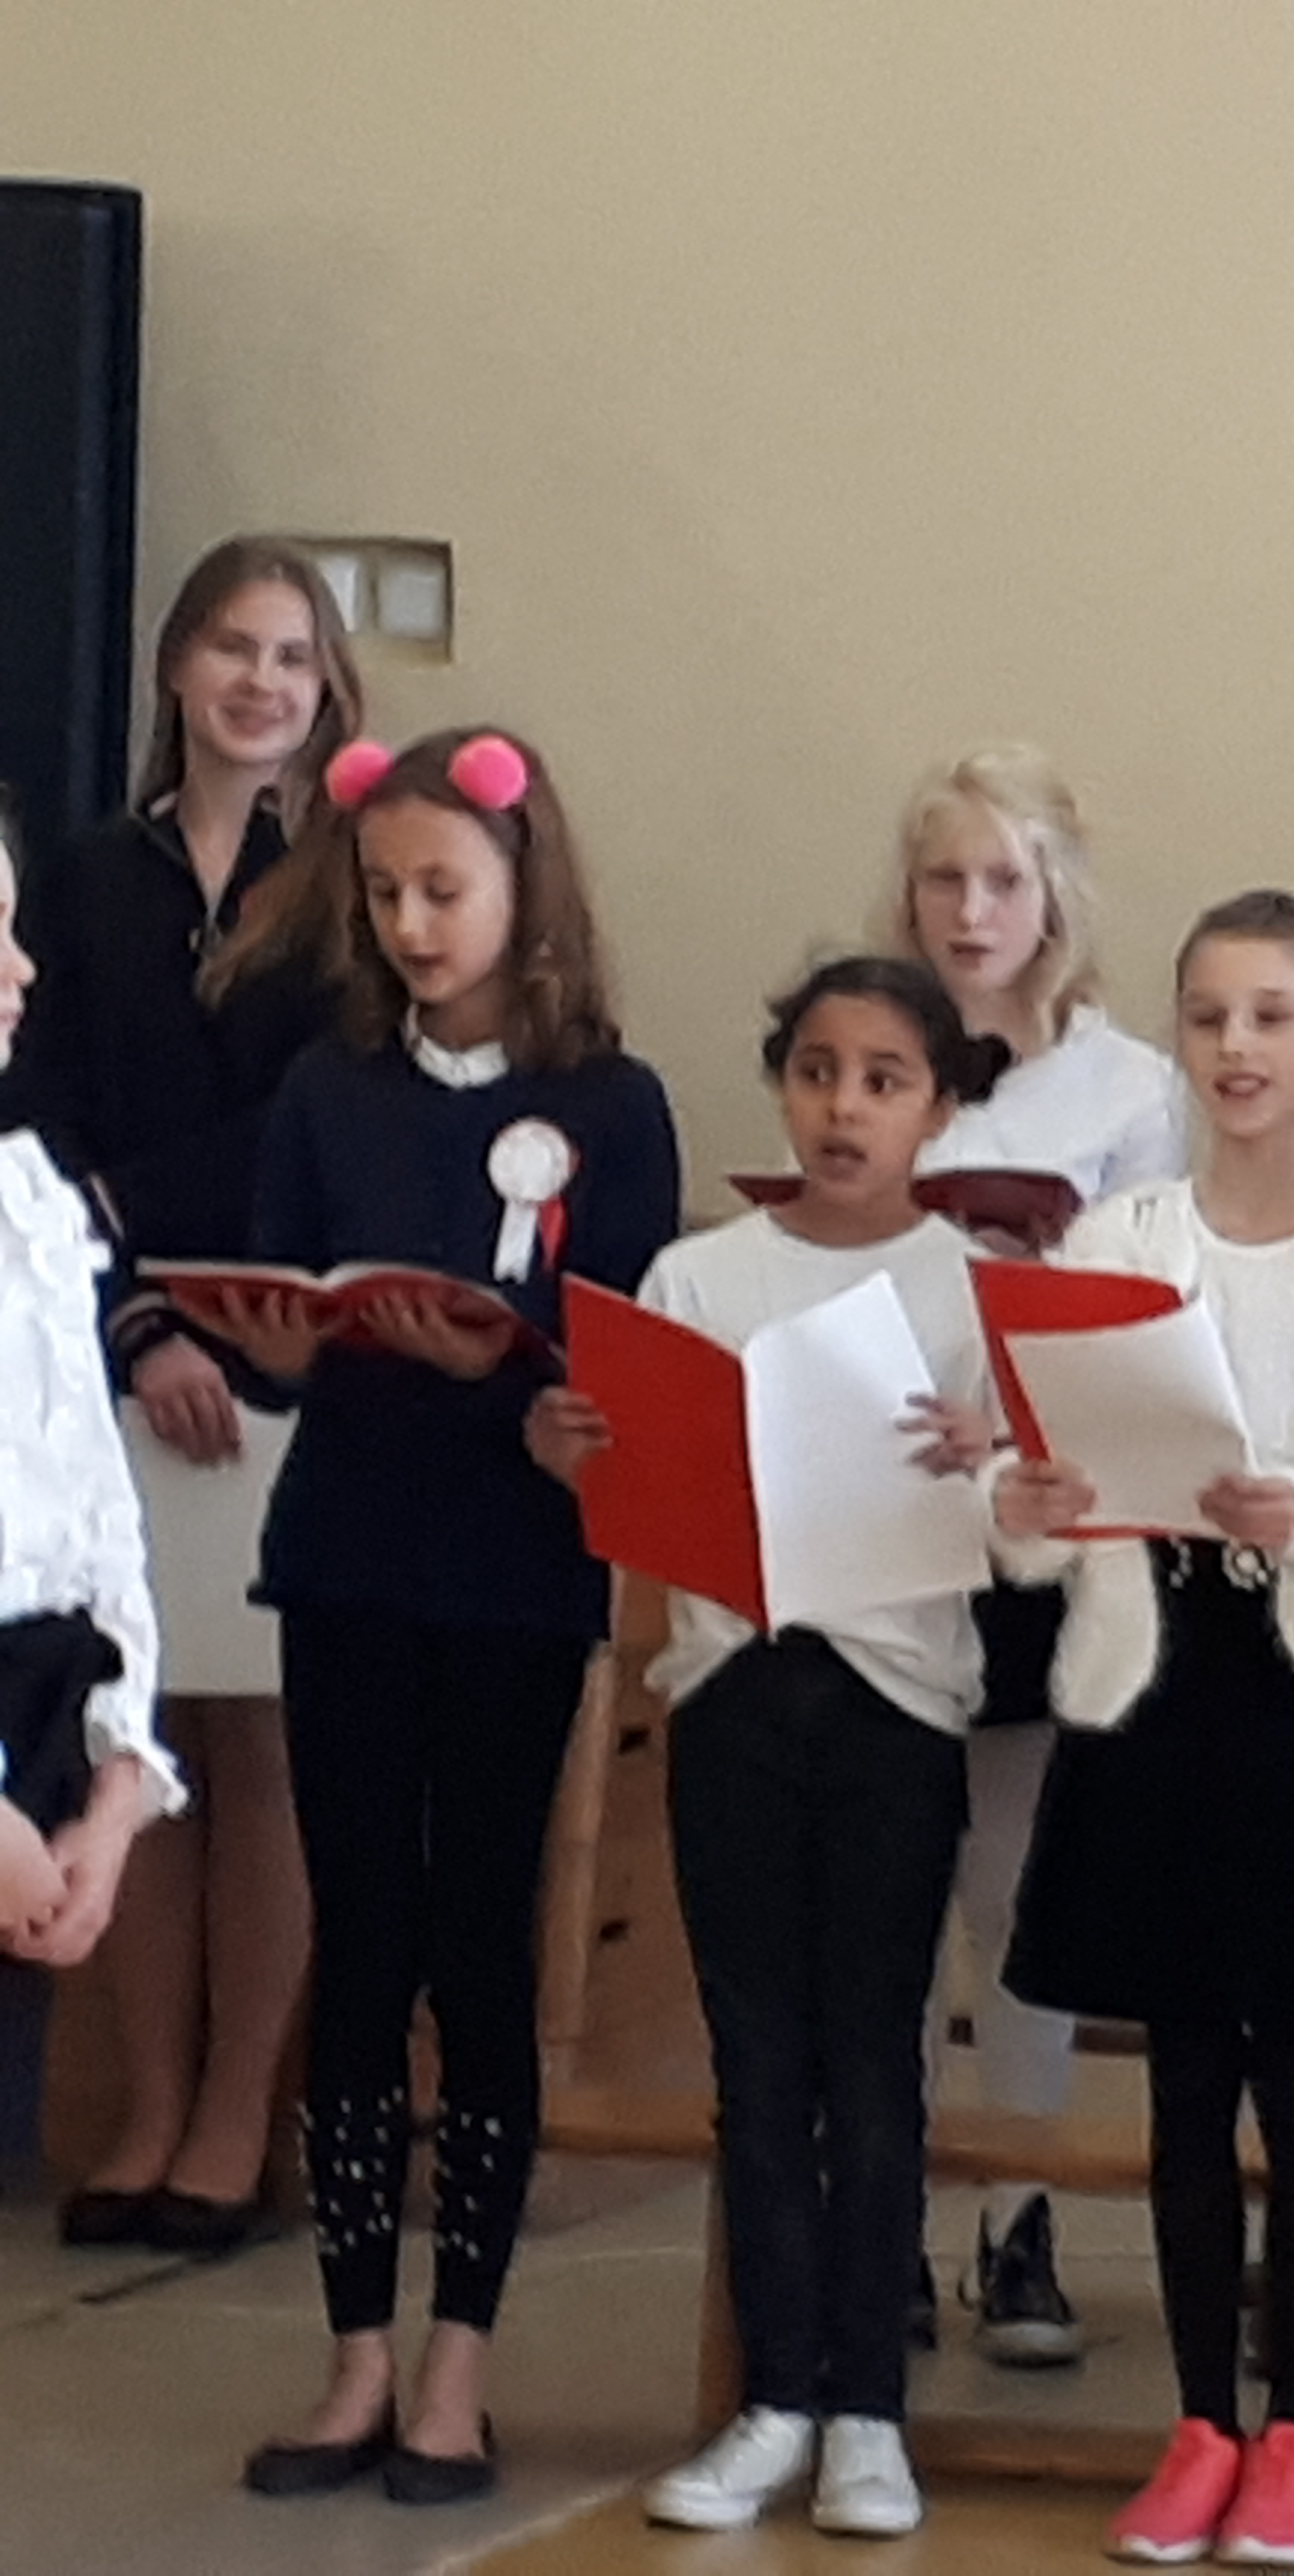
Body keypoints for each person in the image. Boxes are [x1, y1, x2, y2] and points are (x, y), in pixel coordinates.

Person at [217, 728, 681, 2507]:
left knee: (478, 1949)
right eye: (387, 891)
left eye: (444, 889)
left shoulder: (612, 1104)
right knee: (360, 1944)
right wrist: (280, 1339)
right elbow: (278, 1318)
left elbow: (623, 1348)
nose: (413, 924)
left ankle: (459, 2367)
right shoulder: (330, 1088)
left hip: (510, 1570)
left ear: (522, 888)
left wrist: (531, 1385)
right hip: (347, 1552)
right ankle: (352, 2354)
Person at [531, 956, 1006, 2539]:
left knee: (872, 2061)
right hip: (734, 1688)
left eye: (883, 1079)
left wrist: (996, 1457)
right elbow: (634, 1481)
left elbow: (1027, 1528)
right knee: (756, 2061)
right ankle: (772, 2398)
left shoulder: (970, 1289)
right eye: (816, 1071)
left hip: (896, 1704)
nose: (843, 1107)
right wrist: (575, 1448)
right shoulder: (698, 1275)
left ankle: (869, 2407)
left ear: (938, 1110)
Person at [997, 891, 1294, 2569]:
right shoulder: (1121, 1236)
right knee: (1181, 2086)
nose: (1236, 1048)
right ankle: (1194, 2423)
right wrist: (1033, 1502)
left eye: (1271, 1016)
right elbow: (1042, 1472)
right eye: (1209, 1017)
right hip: (1154, 1691)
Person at [10, 537, 362, 2255]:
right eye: (233, 646)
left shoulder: (350, 889)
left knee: (264, 1741)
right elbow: (38, 1114)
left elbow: (319, 1118)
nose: (260, 683)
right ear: (174, 665)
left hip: (284, 1349)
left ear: (326, 689)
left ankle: (236, 2120)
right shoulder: (88, 879)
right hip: (106, 1354)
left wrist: (151, 1226)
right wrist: (136, 1314)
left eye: (292, 658)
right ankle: (147, 2107)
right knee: (130, 1738)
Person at [887, 745, 1184, 2366]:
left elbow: (1150, 1303)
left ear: (1054, 895)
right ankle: (887, 2221)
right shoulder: (878, 1047)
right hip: (890, 1494)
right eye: (945, 878)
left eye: (1004, 879)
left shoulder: (1126, 1086)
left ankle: (1018, 2218)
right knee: (890, 1880)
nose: (973, 909)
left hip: (1035, 1506)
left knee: (1012, 1889)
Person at [0, 798, 182, 1976]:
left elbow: (97, 1518)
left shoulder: (26, 1200)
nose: (21, 968)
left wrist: (114, 1787)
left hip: (39, 1740)